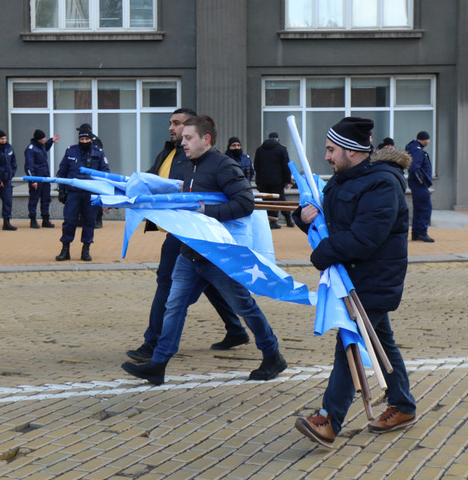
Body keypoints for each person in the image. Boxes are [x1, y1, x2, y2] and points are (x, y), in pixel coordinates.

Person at [122, 115, 287, 386]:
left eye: (188, 138)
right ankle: (159, 364)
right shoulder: (189, 167)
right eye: (182, 138)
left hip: (219, 255)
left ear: (206, 139)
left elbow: (245, 203)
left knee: (243, 306)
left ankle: (272, 355)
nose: (182, 142)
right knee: (174, 305)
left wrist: (206, 210)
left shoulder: (224, 166)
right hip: (190, 252)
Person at [293, 116, 417, 448]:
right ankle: (403, 405)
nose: (327, 157)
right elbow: (329, 218)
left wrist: (321, 253)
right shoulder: (342, 178)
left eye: (332, 150)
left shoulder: (382, 183)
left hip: (372, 281)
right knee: (382, 343)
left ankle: (329, 420)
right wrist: (303, 218)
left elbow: (365, 237)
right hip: (351, 279)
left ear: (351, 151)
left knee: (348, 346)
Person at [126, 108, 251, 364]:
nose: (173, 129)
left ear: (197, 131)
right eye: (171, 124)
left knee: (168, 283)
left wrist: (206, 210)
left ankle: (153, 344)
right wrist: (124, 195)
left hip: (193, 231)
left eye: (178, 124)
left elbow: (241, 200)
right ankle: (236, 330)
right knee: (209, 283)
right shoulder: (170, 151)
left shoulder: (206, 160)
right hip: (179, 227)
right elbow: (150, 181)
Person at [55, 128, 110, 261]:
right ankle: (65, 249)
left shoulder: (99, 153)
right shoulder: (71, 151)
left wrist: (105, 194)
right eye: (82, 139)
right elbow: (62, 172)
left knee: (89, 222)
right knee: (69, 221)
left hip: (91, 194)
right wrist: (61, 190)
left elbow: (105, 174)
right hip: (73, 193)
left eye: (86, 139)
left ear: (91, 140)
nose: (84, 141)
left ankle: (86, 250)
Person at [254, 132, 294, 229]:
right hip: (277, 181)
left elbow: (256, 166)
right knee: (280, 199)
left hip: (263, 181)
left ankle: (271, 221)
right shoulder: (281, 149)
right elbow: (286, 166)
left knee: (266, 201)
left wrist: (258, 180)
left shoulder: (259, 150)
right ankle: (287, 219)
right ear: (277, 139)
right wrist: (288, 181)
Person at [25, 129, 59, 229]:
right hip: (36, 178)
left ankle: (45, 219)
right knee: (34, 199)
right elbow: (28, 166)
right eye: (44, 138)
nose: (45, 139)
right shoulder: (31, 149)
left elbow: (46, 147)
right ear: (39, 139)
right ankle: (33, 219)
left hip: (45, 178)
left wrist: (51, 140)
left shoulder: (41, 146)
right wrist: (32, 180)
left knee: (46, 199)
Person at [406, 131, 435, 243]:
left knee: (419, 208)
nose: (429, 141)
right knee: (424, 207)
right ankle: (422, 233)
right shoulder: (417, 150)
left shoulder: (415, 148)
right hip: (419, 185)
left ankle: (416, 233)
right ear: (424, 139)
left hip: (417, 184)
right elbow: (414, 168)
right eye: (428, 139)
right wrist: (422, 181)